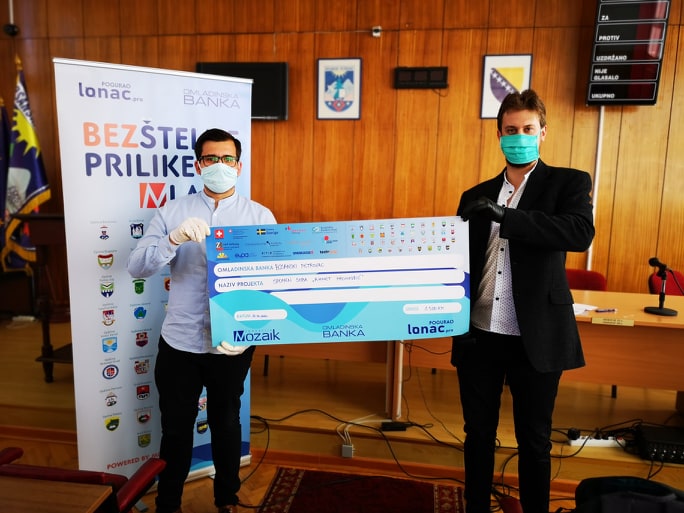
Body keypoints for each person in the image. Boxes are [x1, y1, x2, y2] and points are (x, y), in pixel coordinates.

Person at [452, 90, 595, 513]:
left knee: (534, 439)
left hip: (535, 336)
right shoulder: (476, 193)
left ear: (543, 133)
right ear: (499, 135)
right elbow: (457, 259)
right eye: (511, 130)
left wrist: (505, 216)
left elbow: (577, 233)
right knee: (478, 434)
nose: (519, 137)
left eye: (528, 129)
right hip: (480, 333)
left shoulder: (568, 183)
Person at [127, 128, 276, 513]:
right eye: (211, 159)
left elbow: (270, 286)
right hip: (180, 342)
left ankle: (226, 499)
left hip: (232, 344)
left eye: (228, 159)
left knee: (226, 423)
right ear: (198, 165)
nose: (219, 165)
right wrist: (173, 239)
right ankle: (169, 504)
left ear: (238, 166)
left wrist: (250, 331)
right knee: (175, 429)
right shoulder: (171, 212)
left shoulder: (260, 217)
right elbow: (136, 267)